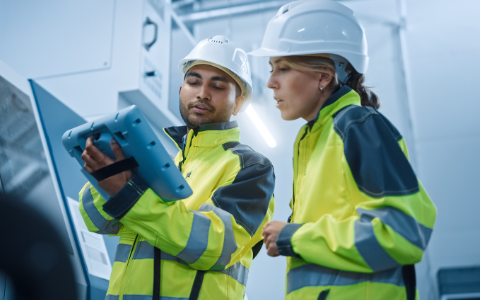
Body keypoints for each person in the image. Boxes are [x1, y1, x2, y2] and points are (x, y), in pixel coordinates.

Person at [249, 1, 436, 300]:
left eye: (283, 68)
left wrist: (295, 236)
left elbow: (403, 233)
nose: (270, 82)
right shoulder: (314, 139)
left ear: (324, 76)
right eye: (271, 69)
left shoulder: (357, 126)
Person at [78, 35, 275, 300]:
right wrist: (107, 172)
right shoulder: (167, 163)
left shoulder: (252, 168)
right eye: (193, 82)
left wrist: (128, 193)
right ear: (181, 89)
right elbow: (93, 220)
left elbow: (214, 246)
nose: (202, 93)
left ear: (238, 102)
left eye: (217, 86)